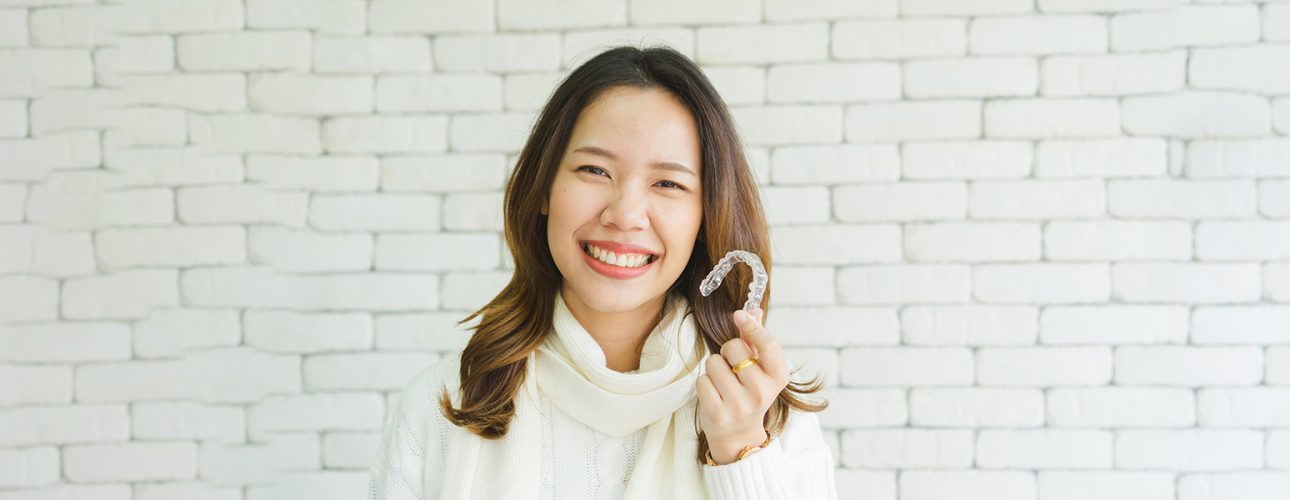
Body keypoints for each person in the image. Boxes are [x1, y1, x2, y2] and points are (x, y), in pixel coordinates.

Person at [367, 45, 838, 500]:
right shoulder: (441, 406)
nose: (626, 213)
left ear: (704, 217)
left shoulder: (770, 413)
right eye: (594, 170)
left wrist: (741, 455)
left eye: (668, 183)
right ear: (544, 189)